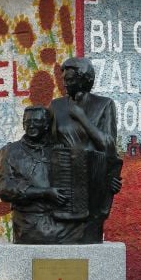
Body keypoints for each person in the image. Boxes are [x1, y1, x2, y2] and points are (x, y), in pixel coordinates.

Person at [48, 57, 123, 243]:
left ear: (84, 80)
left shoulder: (104, 104)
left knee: (89, 234)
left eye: (70, 80)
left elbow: (108, 145)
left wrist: (82, 118)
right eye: (63, 79)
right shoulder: (56, 106)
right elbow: (48, 145)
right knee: (62, 232)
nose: (65, 84)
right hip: (65, 178)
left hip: (93, 182)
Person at [0, 106, 69, 244]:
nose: (31, 125)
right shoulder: (10, 151)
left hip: (61, 223)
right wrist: (44, 193)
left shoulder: (60, 150)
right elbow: (5, 189)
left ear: (47, 125)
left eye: (36, 121)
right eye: (27, 122)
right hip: (27, 224)